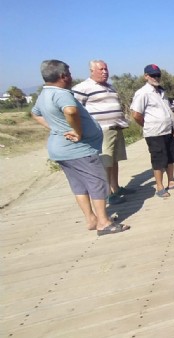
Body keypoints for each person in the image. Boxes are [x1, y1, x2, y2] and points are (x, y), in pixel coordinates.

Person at [31, 59, 130, 236]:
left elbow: (35, 113)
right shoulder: (62, 93)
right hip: (80, 149)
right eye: (69, 73)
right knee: (97, 182)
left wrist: (56, 128)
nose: (71, 77)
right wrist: (77, 131)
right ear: (63, 76)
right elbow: (71, 111)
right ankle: (103, 222)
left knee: (79, 186)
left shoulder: (44, 94)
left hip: (61, 150)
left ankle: (91, 219)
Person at [72, 60, 132, 205]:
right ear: (92, 71)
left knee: (114, 160)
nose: (105, 72)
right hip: (102, 131)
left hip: (116, 128)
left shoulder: (110, 87)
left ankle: (116, 188)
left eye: (106, 69)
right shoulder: (82, 88)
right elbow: (74, 109)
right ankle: (107, 194)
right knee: (105, 163)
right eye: (101, 69)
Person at [130, 64, 174, 198]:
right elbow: (136, 114)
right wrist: (147, 125)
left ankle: (171, 182)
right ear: (146, 76)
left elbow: (168, 110)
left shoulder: (162, 91)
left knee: (171, 157)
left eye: (158, 75)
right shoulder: (143, 93)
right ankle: (160, 187)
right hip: (154, 133)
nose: (156, 78)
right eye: (152, 75)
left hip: (168, 131)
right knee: (158, 160)